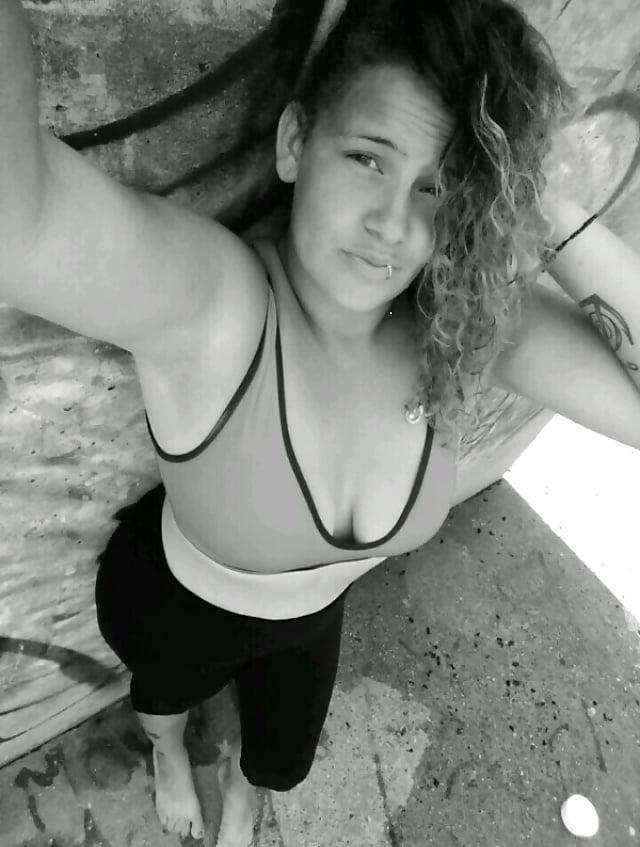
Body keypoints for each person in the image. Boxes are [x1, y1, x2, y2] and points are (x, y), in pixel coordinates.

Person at [2, 0, 639, 844]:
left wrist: (544, 201)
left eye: (438, 186)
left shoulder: (458, 323)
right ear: (295, 142)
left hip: (313, 620)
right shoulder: (217, 306)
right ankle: (166, 753)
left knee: (278, 761)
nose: (393, 225)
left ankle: (242, 791)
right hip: (178, 602)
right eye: (368, 158)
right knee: (161, 704)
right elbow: (17, 218)